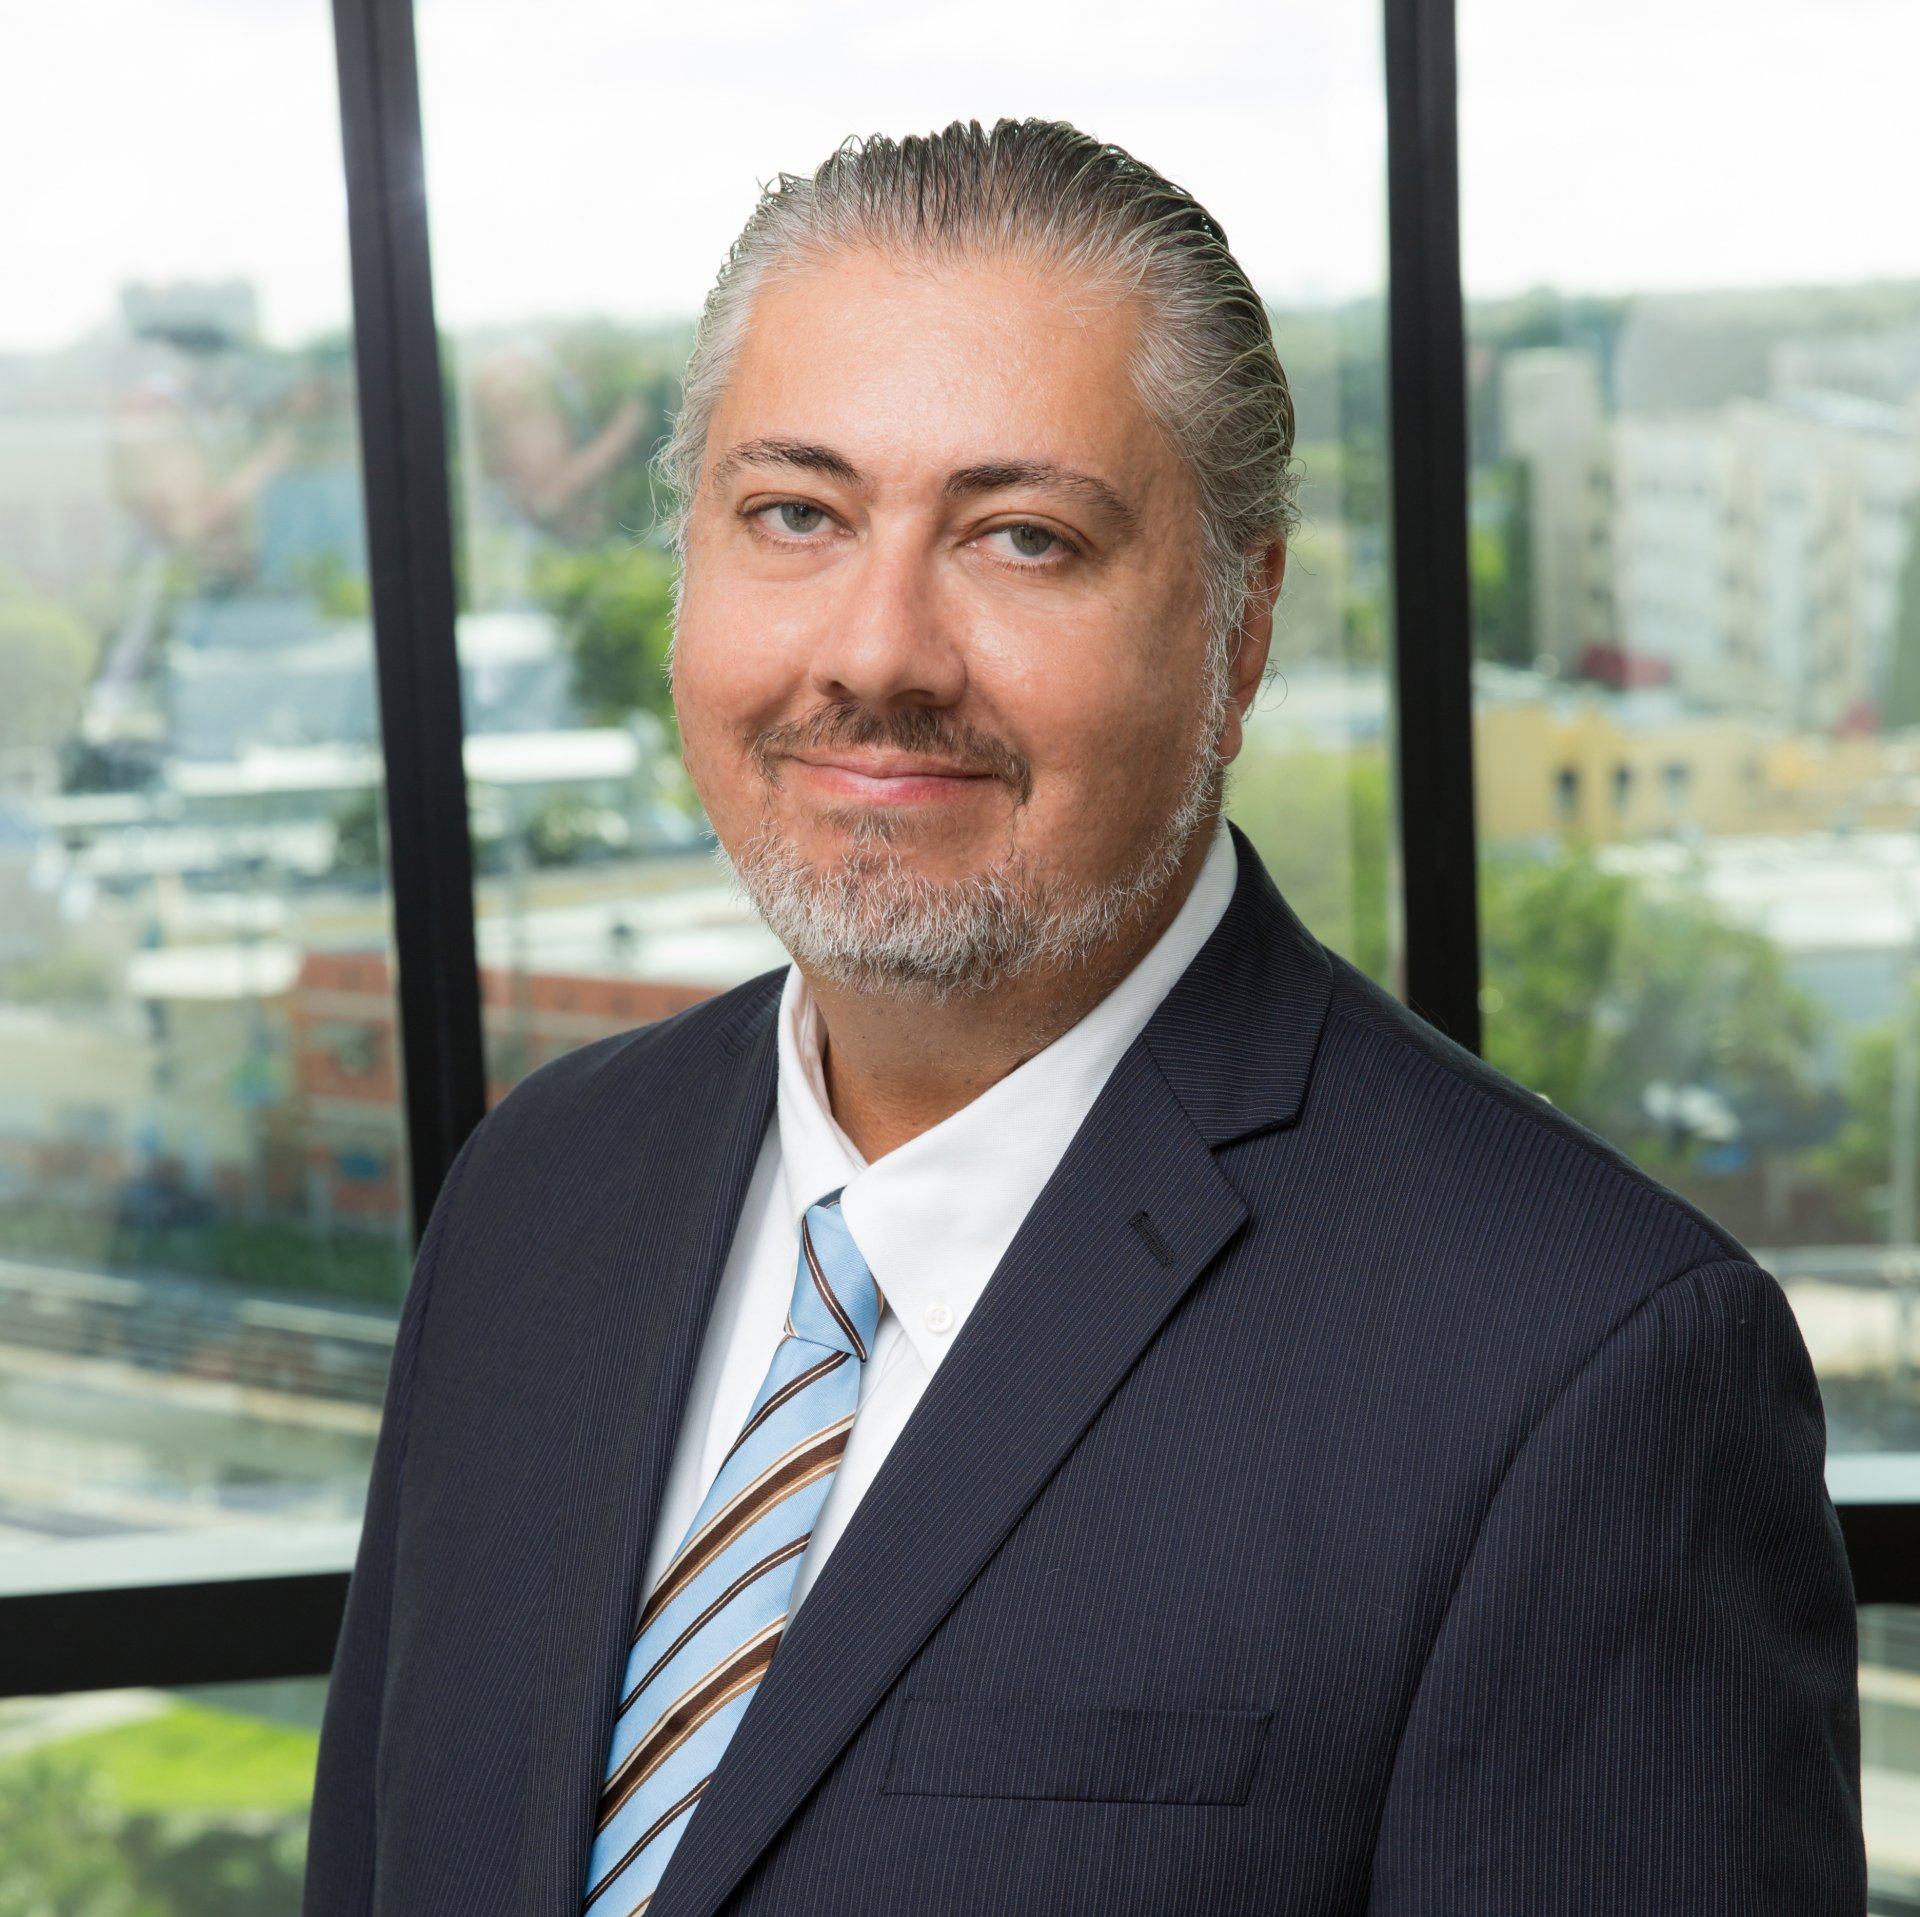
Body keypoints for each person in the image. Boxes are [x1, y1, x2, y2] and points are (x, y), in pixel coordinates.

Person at [304, 118, 1865, 1916]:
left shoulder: (1583, 1372)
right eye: (795, 515)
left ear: (1242, 625)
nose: (877, 652)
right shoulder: (536, 1195)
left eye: (1024, 537)